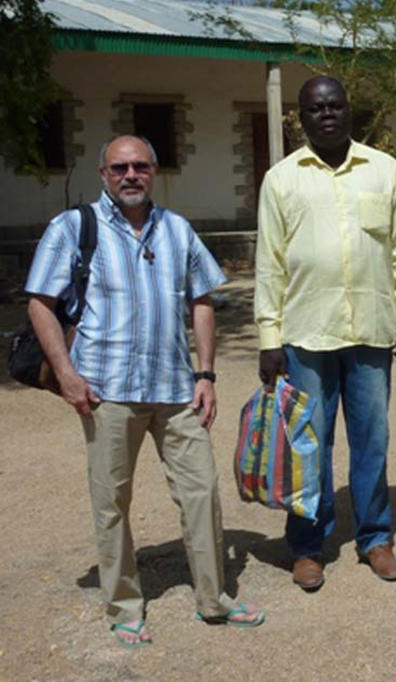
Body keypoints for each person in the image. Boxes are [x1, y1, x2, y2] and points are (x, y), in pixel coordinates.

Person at [25, 135, 263, 648]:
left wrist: (206, 374)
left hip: (176, 389)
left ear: (153, 171)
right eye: (120, 168)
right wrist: (66, 374)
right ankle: (124, 605)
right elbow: (40, 302)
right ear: (103, 173)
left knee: (201, 493)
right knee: (111, 502)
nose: (130, 175)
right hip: (106, 391)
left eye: (140, 166)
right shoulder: (73, 228)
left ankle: (213, 598)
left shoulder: (176, 229)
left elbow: (201, 300)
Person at [255, 76, 396, 591]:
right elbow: (270, 263)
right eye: (315, 108)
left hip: (372, 332)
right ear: (300, 118)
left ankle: (375, 537)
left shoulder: (383, 170)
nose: (326, 114)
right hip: (306, 335)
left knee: (372, 439)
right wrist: (268, 338)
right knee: (309, 444)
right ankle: (308, 546)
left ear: (349, 111)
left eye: (335, 105)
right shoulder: (281, 180)